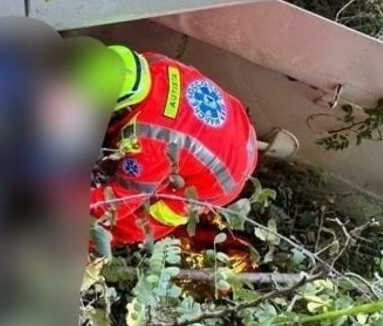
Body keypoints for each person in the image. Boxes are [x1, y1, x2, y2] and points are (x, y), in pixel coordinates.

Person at [90, 46, 259, 249]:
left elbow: (117, 202)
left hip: (224, 177)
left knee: (144, 219)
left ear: (126, 107)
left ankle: (98, 243)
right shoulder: (155, 62)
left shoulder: (149, 141)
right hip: (237, 129)